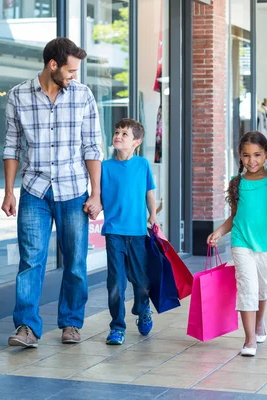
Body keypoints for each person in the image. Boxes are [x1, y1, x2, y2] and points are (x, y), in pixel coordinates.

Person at [2, 38, 103, 347]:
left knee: (75, 260)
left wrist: (96, 193)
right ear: (53, 65)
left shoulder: (83, 96)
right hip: (34, 189)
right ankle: (27, 327)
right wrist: (8, 191)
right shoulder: (18, 96)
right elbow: (12, 146)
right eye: (71, 70)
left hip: (73, 190)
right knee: (31, 260)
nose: (74, 77)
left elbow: (92, 146)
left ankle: (71, 323)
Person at [207, 131, 267, 357]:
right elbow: (235, 216)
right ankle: (250, 340)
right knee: (247, 286)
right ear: (240, 156)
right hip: (241, 242)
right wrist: (219, 232)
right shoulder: (236, 183)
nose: (252, 161)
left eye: (257, 155)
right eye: (247, 156)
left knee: (262, 287)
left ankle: (259, 323)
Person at [100, 118, 156, 346]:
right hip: (114, 232)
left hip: (138, 233)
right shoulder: (104, 167)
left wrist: (152, 215)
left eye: (124, 134)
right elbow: (100, 196)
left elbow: (149, 193)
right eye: (116, 132)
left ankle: (143, 309)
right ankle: (117, 327)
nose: (118, 136)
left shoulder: (143, 165)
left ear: (136, 142)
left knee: (141, 282)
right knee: (115, 283)